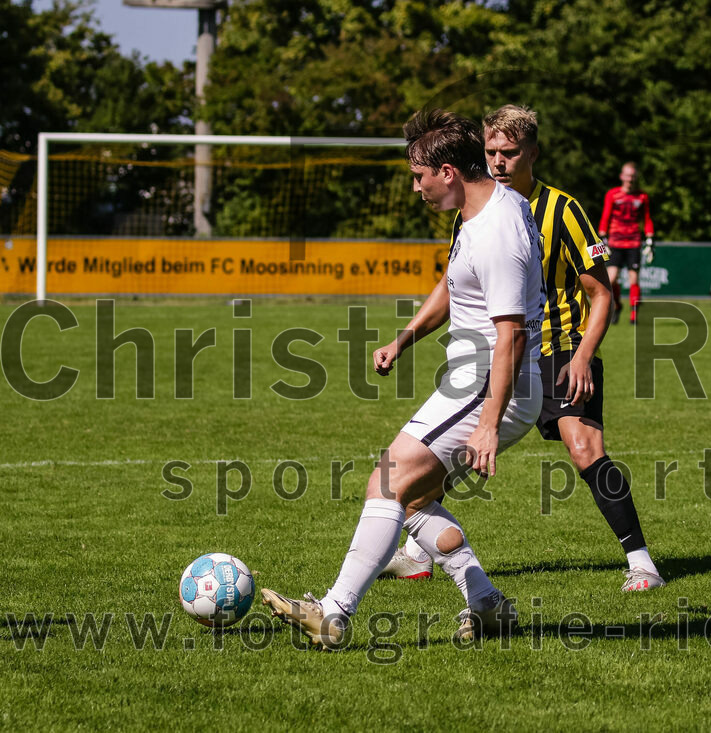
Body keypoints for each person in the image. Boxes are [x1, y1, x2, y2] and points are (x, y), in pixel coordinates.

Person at [261, 108, 546, 648]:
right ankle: (486, 603)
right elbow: (455, 285)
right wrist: (404, 337)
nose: (415, 188)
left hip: (490, 386)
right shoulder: (482, 212)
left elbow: (510, 334)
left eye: (419, 176)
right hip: (481, 382)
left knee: (388, 479)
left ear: (448, 172)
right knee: (413, 502)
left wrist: (487, 425)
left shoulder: (498, 232)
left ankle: (334, 610)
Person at [384, 105, 664, 592]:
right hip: (497, 354)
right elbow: (449, 288)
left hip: (558, 350)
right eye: (491, 151)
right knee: (451, 452)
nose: (498, 162)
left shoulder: (564, 209)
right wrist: (404, 337)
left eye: (510, 153)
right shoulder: (471, 210)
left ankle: (641, 562)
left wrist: (581, 357)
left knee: (585, 449)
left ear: (533, 153)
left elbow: (602, 295)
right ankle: (415, 552)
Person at [598, 162, 654, 325]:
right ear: (622, 176)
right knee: (611, 279)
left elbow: (647, 218)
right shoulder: (613, 194)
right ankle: (617, 305)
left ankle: (634, 315)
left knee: (634, 280)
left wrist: (650, 239)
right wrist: (603, 236)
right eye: (627, 175)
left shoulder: (642, 196)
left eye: (633, 176)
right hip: (615, 242)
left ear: (636, 177)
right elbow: (605, 216)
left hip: (634, 242)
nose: (630, 179)